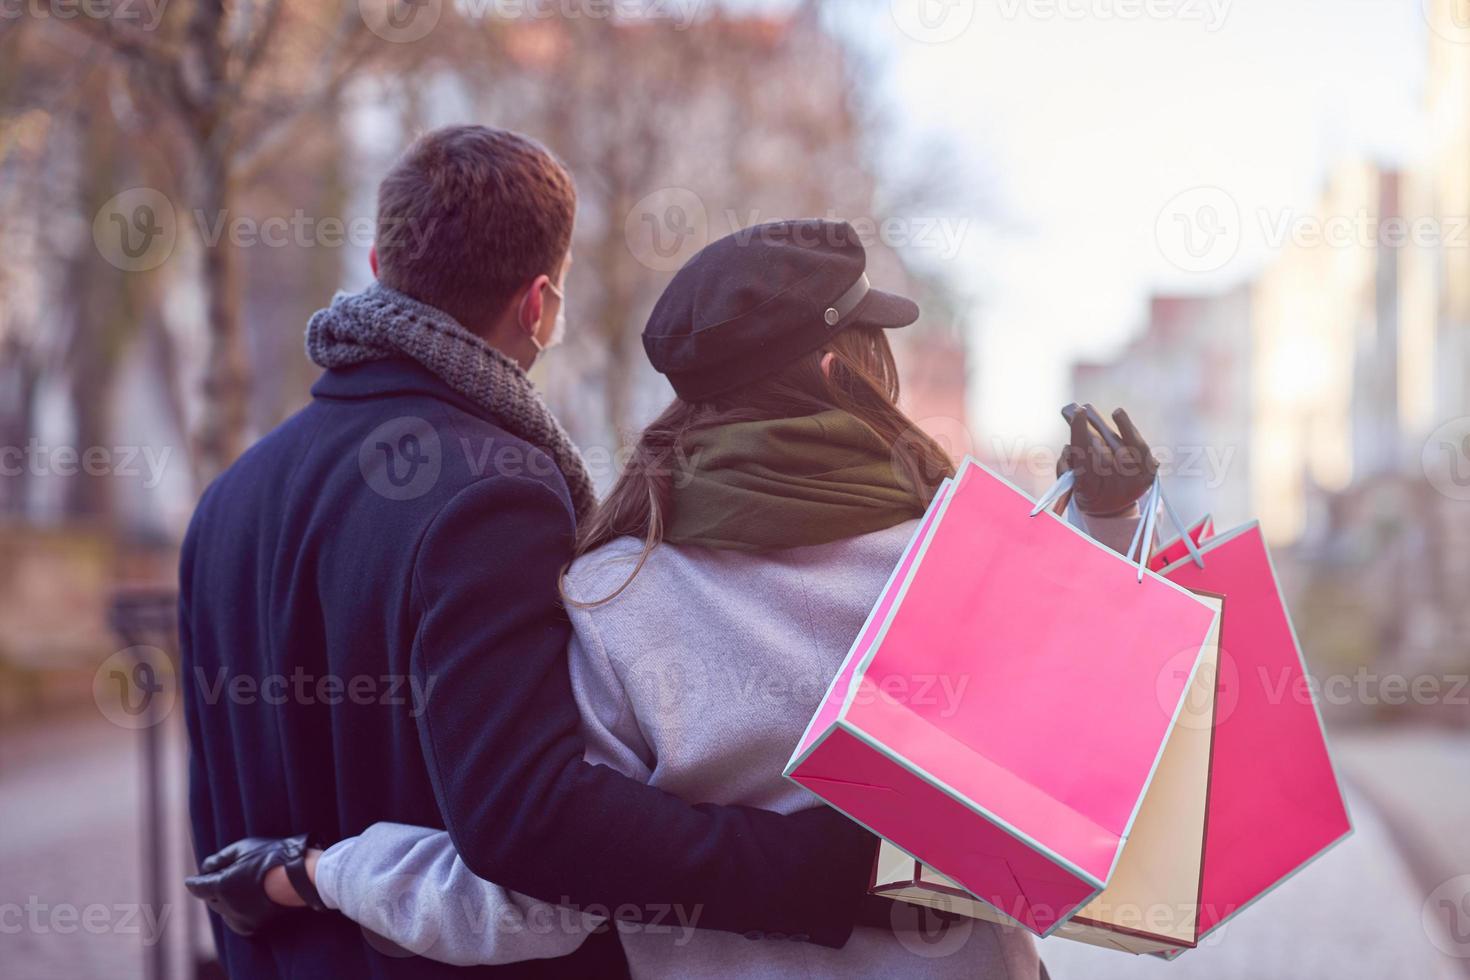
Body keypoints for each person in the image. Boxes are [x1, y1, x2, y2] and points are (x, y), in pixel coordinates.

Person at [188, 215, 1162, 977]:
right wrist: (1106, 537)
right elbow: (1089, 781)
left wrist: (318, 871)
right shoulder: (959, 560)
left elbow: (532, 896)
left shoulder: (612, 592)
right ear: (842, 369)